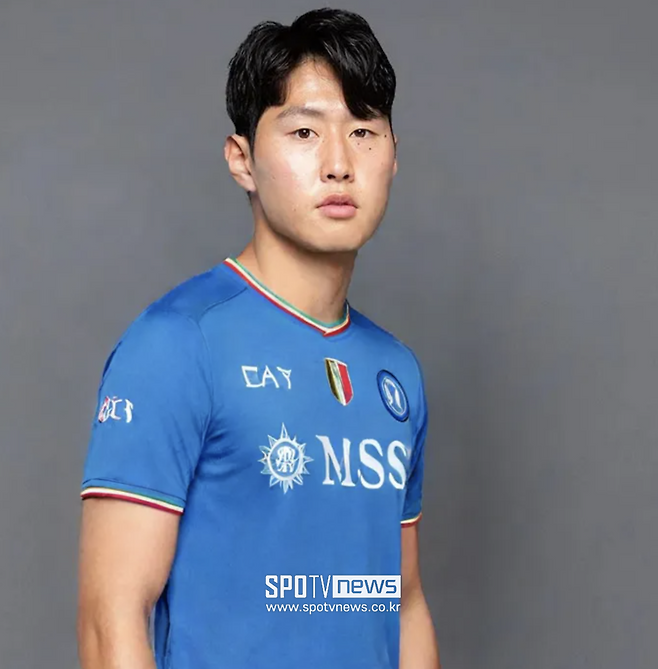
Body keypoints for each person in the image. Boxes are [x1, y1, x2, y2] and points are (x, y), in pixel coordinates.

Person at [77, 8, 441, 669]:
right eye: (304, 131)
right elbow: (112, 619)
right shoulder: (178, 344)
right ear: (241, 159)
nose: (339, 163)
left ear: (393, 156)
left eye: (363, 131)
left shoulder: (397, 373)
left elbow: (404, 602)